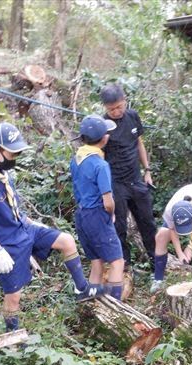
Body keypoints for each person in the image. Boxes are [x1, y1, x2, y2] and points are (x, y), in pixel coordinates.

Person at [0, 122, 106, 333]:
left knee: (66, 241)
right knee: (13, 296)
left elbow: (11, 206)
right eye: (12, 153)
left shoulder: (1, 172)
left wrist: (31, 222)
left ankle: (81, 289)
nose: (15, 158)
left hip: (24, 229)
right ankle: (13, 336)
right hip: (7, 243)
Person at [100, 84, 156, 269]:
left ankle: (157, 262)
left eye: (119, 107)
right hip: (116, 183)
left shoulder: (132, 116)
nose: (116, 112)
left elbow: (139, 143)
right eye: (111, 109)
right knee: (119, 227)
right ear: (105, 108)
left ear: (124, 101)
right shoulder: (102, 126)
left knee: (147, 222)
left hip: (136, 179)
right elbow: (99, 156)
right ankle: (124, 266)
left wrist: (147, 170)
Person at [69, 114, 125, 301]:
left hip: (82, 215)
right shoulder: (100, 165)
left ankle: (92, 305)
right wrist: (111, 214)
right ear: (104, 139)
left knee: (96, 262)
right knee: (117, 262)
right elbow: (108, 201)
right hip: (97, 215)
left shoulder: (76, 160)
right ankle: (117, 308)